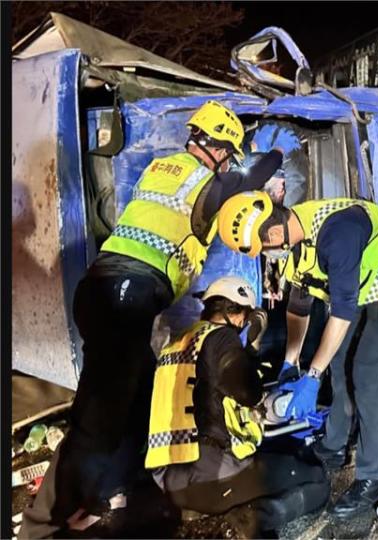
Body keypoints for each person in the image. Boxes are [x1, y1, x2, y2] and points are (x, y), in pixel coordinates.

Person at [21, 101, 301, 538]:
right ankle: (41, 527)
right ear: (214, 147)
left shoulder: (163, 168)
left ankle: (109, 491)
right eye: (229, 153)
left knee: (138, 399)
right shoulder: (202, 180)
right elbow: (239, 185)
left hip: (106, 289)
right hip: (123, 294)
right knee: (97, 419)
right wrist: (275, 157)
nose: (230, 161)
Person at [217, 191, 378, 518]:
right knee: (338, 363)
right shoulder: (293, 242)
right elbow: (298, 308)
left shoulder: (337, 233)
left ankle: (375, 478)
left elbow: (342, 315)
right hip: (360, 284)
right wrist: (292, 363)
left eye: (265, 250)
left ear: (273, 234)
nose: (269, 256)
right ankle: (334, 446)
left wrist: (312, 378)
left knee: (368, 376)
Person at [147, 277, 329, 538]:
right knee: (315, 478)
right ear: (236, 312)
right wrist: (252, 348)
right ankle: (240, 523)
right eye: (245, 316)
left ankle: (203, 509)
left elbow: (213, 388)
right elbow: (249, 392)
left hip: (168, 482)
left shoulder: (176, 344)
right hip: (210, 478)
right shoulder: (221, 338)